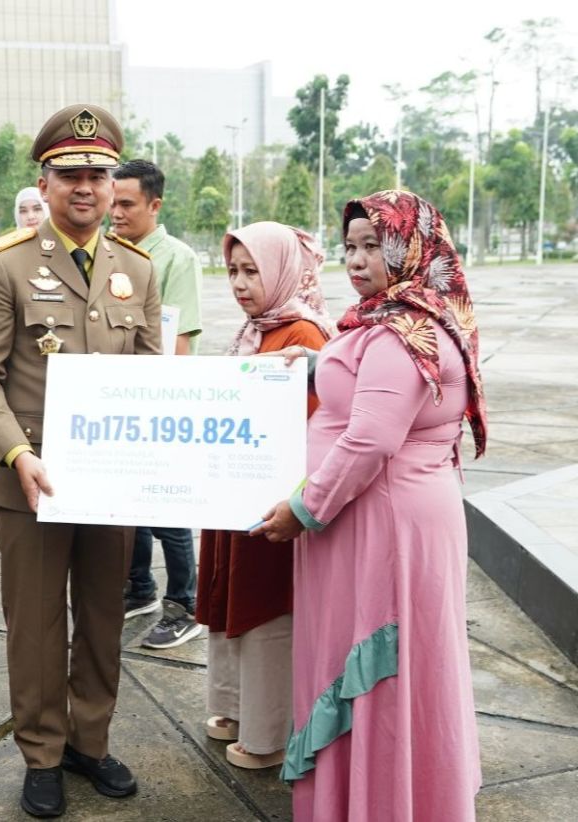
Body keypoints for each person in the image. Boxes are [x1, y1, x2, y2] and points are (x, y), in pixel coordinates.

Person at [253, 190, 487, 821]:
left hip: (379, 525)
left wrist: (302, 509)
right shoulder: (391, 321)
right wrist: (315, 362)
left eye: (372, 245)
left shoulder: (404, 332)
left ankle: (380, 804)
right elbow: (363, 393)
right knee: (391, 667)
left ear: (409, 248)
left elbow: (370, 439)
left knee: (377, 668)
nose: (357, 261)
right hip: (378, 517)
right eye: (350, 246)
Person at [0, 104, 162, 818]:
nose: (86, 186)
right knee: (39, 625)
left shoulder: (135, 269)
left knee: (105, 618)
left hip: (111, 484)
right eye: (70, 174)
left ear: (115, 186)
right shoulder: (5, 261)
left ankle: (90, 741)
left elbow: (147, 373)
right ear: (44, 183)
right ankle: (42, 752)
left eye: (99, 176)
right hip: (30, 482)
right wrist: (16, 451)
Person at [197, 221, 333, 771]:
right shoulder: (257, 329)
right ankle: (233, 709)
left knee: (265, 614)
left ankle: (267, 732)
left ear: (282, 272)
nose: (240, 282)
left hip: (269, 500)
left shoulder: (303, 336)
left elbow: (313, 429)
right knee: (231, 601)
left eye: (252, 270)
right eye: (233, 270)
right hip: (235, 492)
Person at [109, 158, 204, 648]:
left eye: (126, 203)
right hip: (120, 400)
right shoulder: (108, 252)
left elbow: (180, 339)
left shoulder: (174, 258)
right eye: (112, 201)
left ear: (154, 204)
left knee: (168, 507)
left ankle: (184, 603)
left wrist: (161, 404)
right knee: (131, 504)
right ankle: (139, 588)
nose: (115, 211)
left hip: (162, 400)